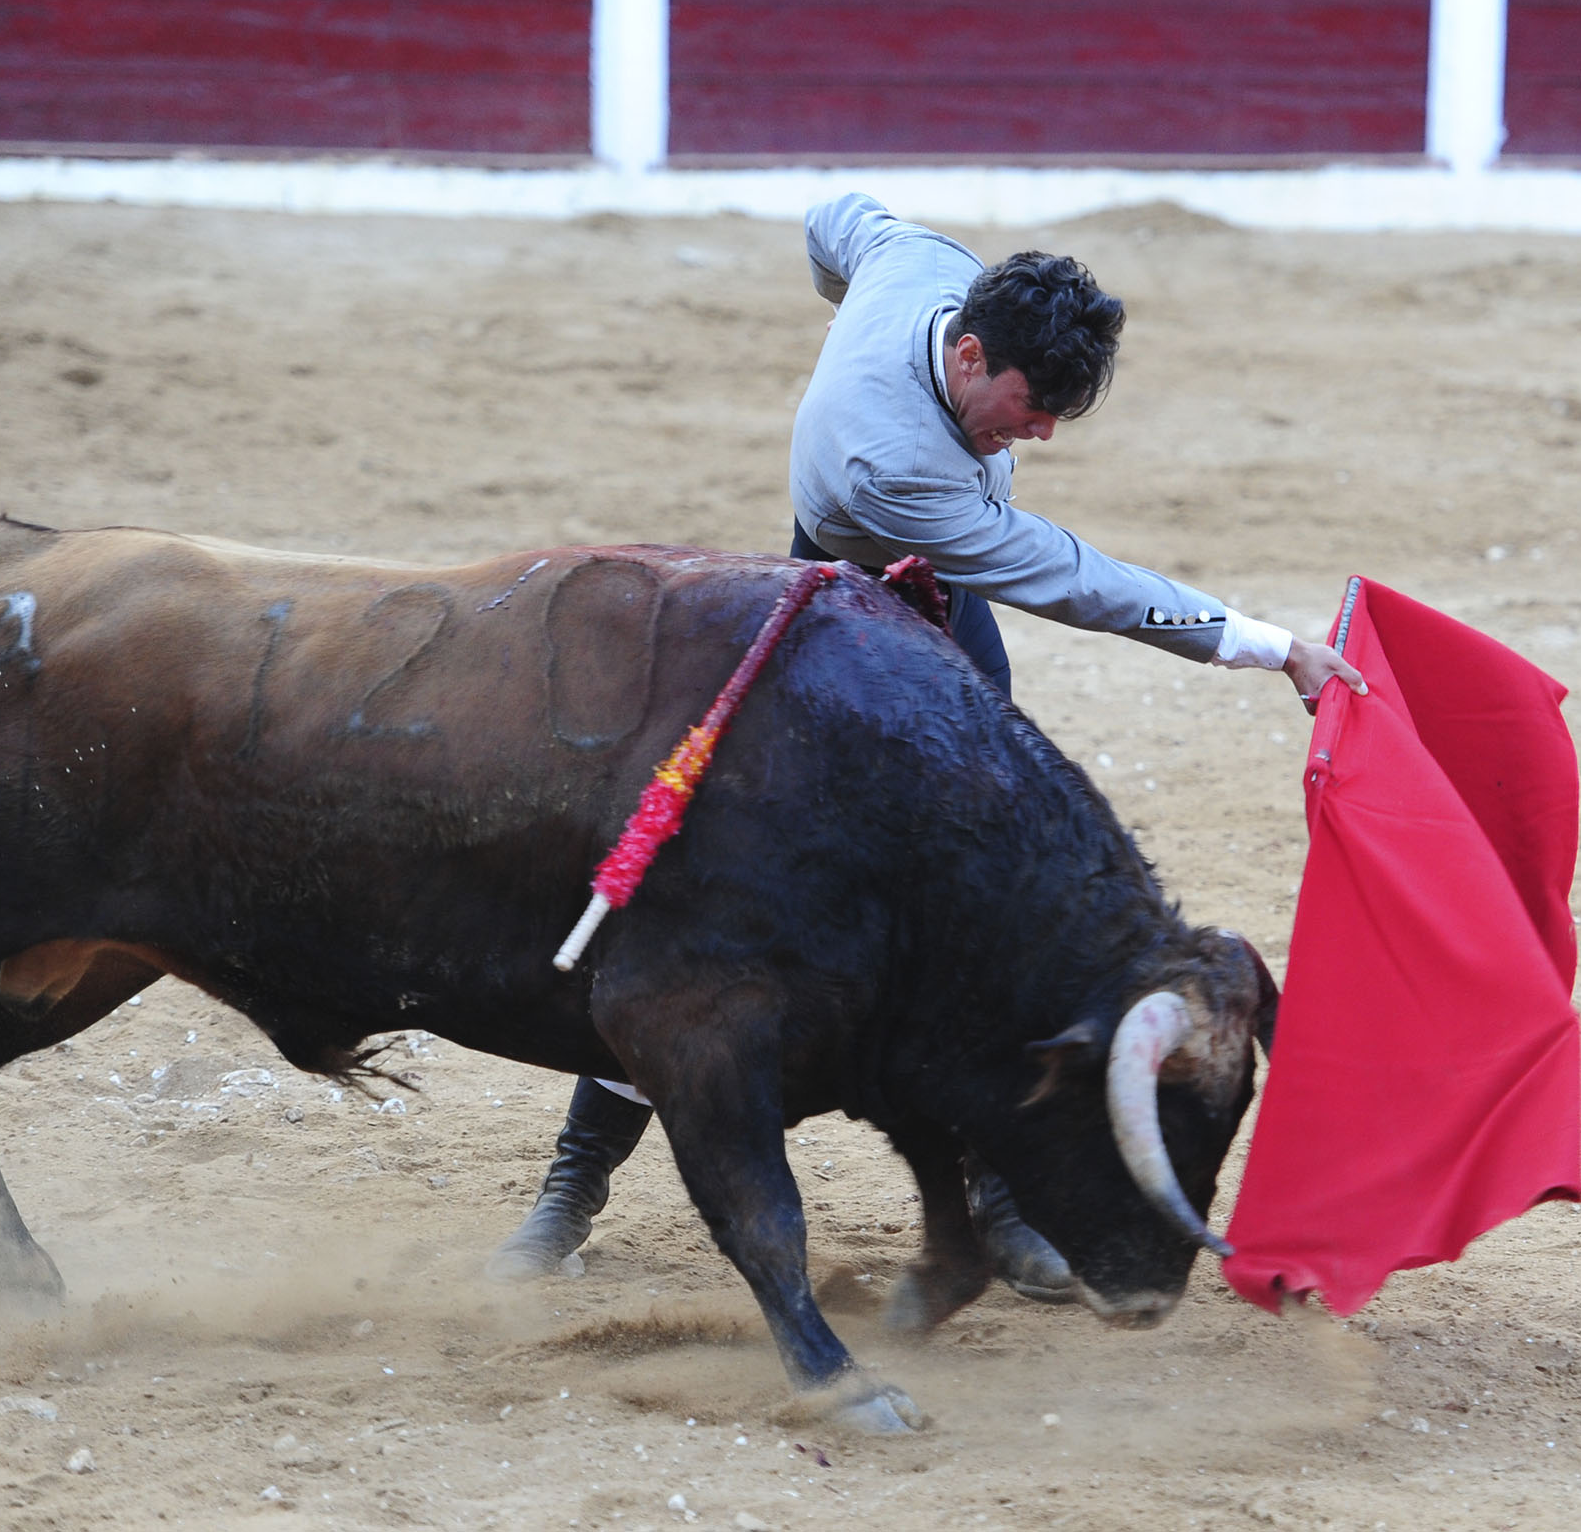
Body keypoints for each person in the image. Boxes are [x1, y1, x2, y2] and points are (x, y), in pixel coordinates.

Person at [488, 194, 1365, 1294]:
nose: (1041, 433)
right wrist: (1267, 646)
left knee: (996, 907)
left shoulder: (919, 263)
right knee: (712, 908)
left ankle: (1002, 1204)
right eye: (1031, 406)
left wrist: (842, 314)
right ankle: (572, 1186)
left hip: (940, 608)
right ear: (968, 353)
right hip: (838, 625)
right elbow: (1076, 579)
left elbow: (835, 219)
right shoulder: (892, 466)